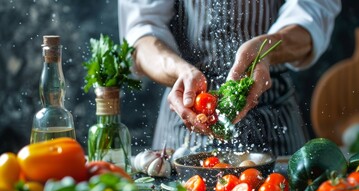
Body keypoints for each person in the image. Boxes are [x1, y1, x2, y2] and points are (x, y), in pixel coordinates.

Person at [118, 0, 341, 156]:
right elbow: (140, 31)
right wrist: (180, 71)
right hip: (186, 116)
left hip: (275, 119)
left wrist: (267, 51)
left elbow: (313, 12)